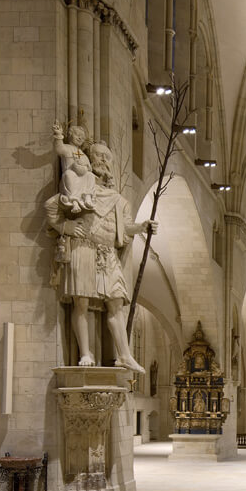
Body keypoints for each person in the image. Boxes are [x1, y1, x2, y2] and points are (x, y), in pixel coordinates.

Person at [45, 139, 157, 372]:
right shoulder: (78, 186)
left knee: (116, 302)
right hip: (83, 248)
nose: (103, 160)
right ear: (88, 158)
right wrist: (66, 227)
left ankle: (124, 355)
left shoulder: (118, 200)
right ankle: (85, 353)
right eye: (99, 155)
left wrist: (142, 227)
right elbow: (51, 206)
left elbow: (125, 228)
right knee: (81, 302)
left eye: (107, 157)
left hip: (108, 255)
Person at [52, 121, 96, 214]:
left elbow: (89, 168)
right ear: (70, 135)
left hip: (82, 176)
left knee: (90, 175)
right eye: (77, 135)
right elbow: (58, 148)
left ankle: (87, 197)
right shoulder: (66, 148)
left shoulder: (82, 153)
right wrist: (58, 135)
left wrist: (84, 167)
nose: (80, 138)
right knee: (68, 174)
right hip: (71, 177)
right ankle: (74, 202)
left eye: (82, 137)